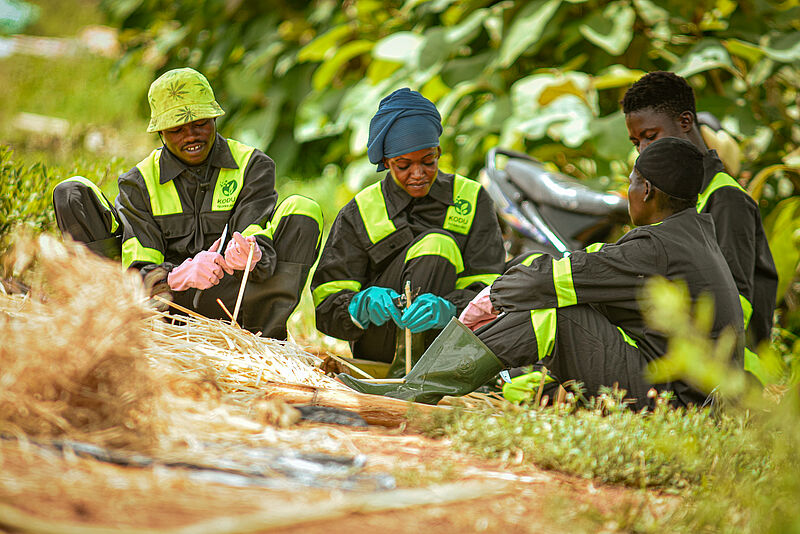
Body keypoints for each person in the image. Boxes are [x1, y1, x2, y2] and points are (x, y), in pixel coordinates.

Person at [338, 137, 745, 409]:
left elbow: (550, 280)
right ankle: (432, 383)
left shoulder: (655, 246)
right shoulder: (692, 235)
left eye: (632, 181)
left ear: (647, 190)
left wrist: (491, 297)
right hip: (695, 396)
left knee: (554, 312)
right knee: (566, 304)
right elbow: (595, 271)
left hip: (672, 404)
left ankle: (415, 392)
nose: (629, 191)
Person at [53, 67, 323, 340]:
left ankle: (266, 342)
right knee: (71, 192)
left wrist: (253, 253)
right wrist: (178, 275)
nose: (191, 136)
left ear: (214, 119)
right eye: (177, 129)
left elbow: (255, 231)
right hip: (165, 313)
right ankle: (107, 336)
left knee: (305, 209)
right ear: (160, 133)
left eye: (200, 124)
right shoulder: (139, 183)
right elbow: (137, 272)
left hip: (238, 309)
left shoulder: (252, 165)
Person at [311, 88, 505, 373]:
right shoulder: (360, 211)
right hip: (381, 349)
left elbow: (491, 287)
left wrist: (449, 309)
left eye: (428, 161)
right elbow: (325, 303)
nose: (418, 174)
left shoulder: (472, 199)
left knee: (437, 244)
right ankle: (405, 373)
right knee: (436, 243)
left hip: (453, 342)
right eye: (404, 165)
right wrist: (358, 306)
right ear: (387, 162)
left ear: (438, 152)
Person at [622, 71, 778, 384]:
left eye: (651, 137)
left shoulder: (725, 199)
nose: (643, 151)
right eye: (636, 142)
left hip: (730, 371)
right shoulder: (669, 198)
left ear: (685, 121)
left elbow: (736, 304)